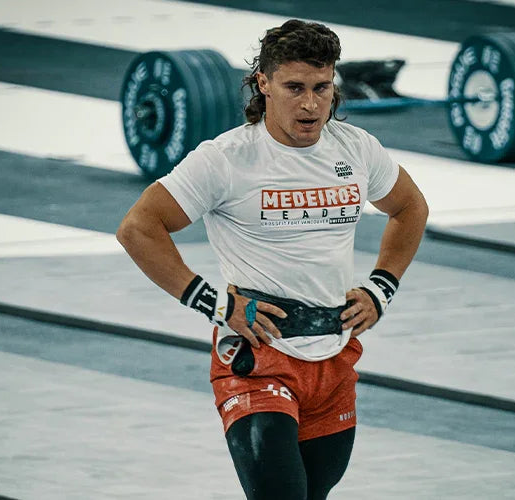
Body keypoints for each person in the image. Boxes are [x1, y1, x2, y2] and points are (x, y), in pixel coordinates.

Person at [117, 19, 428, 499]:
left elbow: (410, 207)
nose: (310, 104)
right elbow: (138, 227)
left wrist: (381, 286)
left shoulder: (358, 149)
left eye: (322, 88)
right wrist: (215, 305)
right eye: (294, 87)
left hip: (334, 358)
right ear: (263, 84)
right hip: (258, 363)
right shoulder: (226, 158)